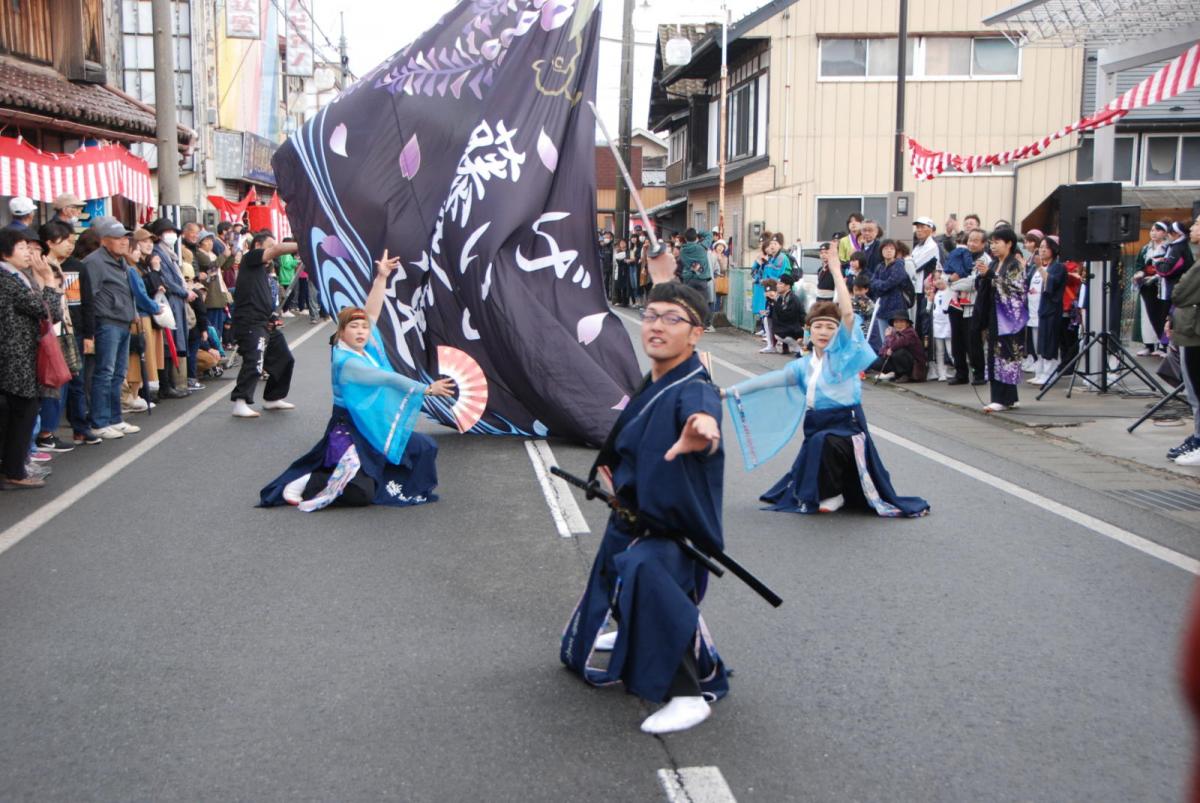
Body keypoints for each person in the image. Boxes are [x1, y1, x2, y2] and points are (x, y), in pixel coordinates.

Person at [561, 281, 729, 735]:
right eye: (651, 316)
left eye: (672, 319)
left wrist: (703, 431)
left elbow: (704, 412)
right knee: (614, 572)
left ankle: (689, 695)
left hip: (669, 527)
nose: (656, 326)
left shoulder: (693, 388)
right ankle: (634, 625)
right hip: (633, 514)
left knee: (644, 574)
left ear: (695, 334)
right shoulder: (658, 376)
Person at [725, 247, 929, 517]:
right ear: (809, 329)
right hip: (816, 426)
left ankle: (835, 494)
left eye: (829, 327)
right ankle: (823, 491)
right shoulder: (803, 365)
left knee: (825, 442)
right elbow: (769, 381)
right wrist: (727, 391)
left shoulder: (843, 356)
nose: (823, 332)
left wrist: (836, 272)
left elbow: (846, 315)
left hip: (845, 427)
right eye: (818, 326)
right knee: (816, 444)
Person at [260, 251, 454, 509]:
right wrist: (427, 389)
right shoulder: (346, 361)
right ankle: (308, 481)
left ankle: (382, 478)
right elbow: (385, 378)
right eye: (354, 327)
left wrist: (382, 277)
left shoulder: (366, 348)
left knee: (425, 447)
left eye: (363, 328)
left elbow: (371, 311)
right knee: (361, 492)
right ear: (341, 332)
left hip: (374, 421)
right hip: (352, 429)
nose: (362, 331)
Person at [0, 227, 62, 488]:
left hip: (19, 356)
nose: (29, 253)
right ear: (5, 252)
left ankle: (14, 468)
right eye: (23, 248)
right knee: (21, 415)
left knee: (18, 415)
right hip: (14, 359)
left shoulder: (16, 276)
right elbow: (47, 312)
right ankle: (14, 472)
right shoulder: (6, 278)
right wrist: (48, 281)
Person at [79, 217, 142, 440]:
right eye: (118, 238)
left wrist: (131, 311)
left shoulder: (121, 261)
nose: (124, 242)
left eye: (125, 237)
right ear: (104, 241)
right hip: (106, 322)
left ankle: (115, 418)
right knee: (104, 373)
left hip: (122, 321)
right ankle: (99, 421)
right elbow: (89, 296)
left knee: (118, 373)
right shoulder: (94, 262)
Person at [230, 231, 297, 418]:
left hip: (266, 321)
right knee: (254, 362)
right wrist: (303, 245)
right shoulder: (250, 258)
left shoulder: (263, 271)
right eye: (269, 246)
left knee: (284, 358)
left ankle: (273, 398)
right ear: (258, 246)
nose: (273, 252)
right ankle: (240, 402)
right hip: (250, 322)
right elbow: (277, 249)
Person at [976, 228, 1027, 413]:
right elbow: (988, 285)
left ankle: (1004, 398)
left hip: (1009, 318)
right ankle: (1004, 397)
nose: (993, 246)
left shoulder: (1014, 264)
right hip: (994, 314)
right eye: (992, 242)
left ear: (1009, 243)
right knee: (994, 355)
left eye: (997, 242)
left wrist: (991, 277)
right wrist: (982, 276)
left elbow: (1015, 289)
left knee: (1007, 356)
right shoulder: (994, 263)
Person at [1166, 214, 1200, 466]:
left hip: (1194, 332)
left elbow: (1179, 292)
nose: (1193, 228)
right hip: (1189, 328)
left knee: (1196, 392)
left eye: (1198, 224)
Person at [944, 229, 987, 385]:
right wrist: (950, 279)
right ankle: (960, 372)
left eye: (976, 240)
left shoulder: (984, 260)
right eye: (970, 240)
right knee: (957, 341)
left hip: (973, 305)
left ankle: (979, 374)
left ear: (983, 243)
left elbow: (973, 283)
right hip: (956, 304)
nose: (971, 243)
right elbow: (945, 273)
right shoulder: (960, 255)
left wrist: (951, 282)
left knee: (973, 342)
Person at [1029, 236, 1066, 387]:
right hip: (1037, 309)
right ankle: (1039, 372)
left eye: (1046, 247)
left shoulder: (1058, 267)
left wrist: (1040, 268)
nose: (1042, 250)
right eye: (1041, 247)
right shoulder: (1036, 267)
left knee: (1049, 341)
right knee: (1039, 343)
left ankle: (1049, 373)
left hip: (1051, 309)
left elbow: (1051, 283)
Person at [1133, 221, 1170, 356]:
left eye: (1157, 230)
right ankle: (1149, 344)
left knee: (1162, 315)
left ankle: (1164, 345)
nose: (1153, 233)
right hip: (1147, 286)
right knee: (1147, 316)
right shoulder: (1145, 249)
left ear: (1165, 233)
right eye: (1152, 230)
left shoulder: (1168, 248)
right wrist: (1140, 273)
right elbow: (1139, 265)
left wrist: (1157, 276)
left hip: (1162, 286)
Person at [869, 239, 908, 346]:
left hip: (896, 308)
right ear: (881, 251)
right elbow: (872, 283)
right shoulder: (880, 266)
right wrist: (881, 284)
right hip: (882, 307)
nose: (889, 251)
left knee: (897, 340)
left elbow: (891, 283)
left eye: (892, 248)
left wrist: (880, 285)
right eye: (886, 248)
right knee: (884, 340)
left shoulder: (899, 265)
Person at [872, 310, 927, 383]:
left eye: (901, 322)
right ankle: (896, 374)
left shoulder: (910, 333)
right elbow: (882, 350)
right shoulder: (894, 332)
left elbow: (895, 345)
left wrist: (888, 337)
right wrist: (886, 351)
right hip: (898, 360)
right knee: (876, 362)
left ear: (907, 324)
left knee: (899, 352)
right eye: (896, 322)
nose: (898, 324)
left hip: (914, 365)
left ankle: (905, 375)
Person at [679, 228, 713, 329]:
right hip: (702, 278)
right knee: (703, 301)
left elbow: (684, 262)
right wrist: (698, 232)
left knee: (688, 301)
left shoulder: (683, 250)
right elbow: (709, 235)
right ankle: (704, 323)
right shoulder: (702, 247)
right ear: (696, 237)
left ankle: (688, 320)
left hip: (689, 278)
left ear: (685, 238)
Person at [768, 273, 807, 353]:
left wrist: (775, 301)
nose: (777, 286)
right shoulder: (783, 296)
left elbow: (786, 316)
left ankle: (797, 346)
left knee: (779, 333)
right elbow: (779, 313)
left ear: (788, 286)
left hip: (797, 328)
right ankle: (778, 346)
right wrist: (771, 301)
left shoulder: (792, 299)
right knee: (767, 319)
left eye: (780, 283)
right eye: (777, 283)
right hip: (791, 325)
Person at [930, 275, 952, 381]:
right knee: (939, 351)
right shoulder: (935, 293)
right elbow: (928, 309)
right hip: (937, 323)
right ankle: (941, 373)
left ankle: (958, 370)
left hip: (948, 323)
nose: (939, 281)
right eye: (936, 279)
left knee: (951, 350)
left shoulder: (951, 291)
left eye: (941, 278)